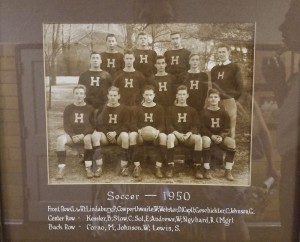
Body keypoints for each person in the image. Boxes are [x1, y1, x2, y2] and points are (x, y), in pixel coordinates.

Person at [56, 85, 94, 179]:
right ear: (73, 95)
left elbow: (92, 125)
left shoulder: (90, 108)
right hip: (72, 135)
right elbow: (66, 124)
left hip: (84, 135)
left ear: (85, 95)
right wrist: (73, 135)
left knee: (88, 139)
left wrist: (82, 135)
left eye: (81, 93)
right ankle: (61, 168)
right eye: (76, 93)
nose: (79, 96)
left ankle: (88, 168)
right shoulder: (69, 108)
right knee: (60, 140)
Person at [91, 86, 130, 177]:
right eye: (111, 95)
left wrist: (115, 133)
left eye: (115, 95)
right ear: (108, 96)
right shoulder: (103, 108)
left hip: (118, 136)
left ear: (119, 96)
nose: (113, 97)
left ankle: (124, 167)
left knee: (125, 136)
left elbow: (126, 125)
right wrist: (107, 133)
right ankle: (99, 166)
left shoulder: (124, 109)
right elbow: (98, 124)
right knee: (95, 136)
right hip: (105, 136)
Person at [165, 85, 202, 179]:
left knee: (198, 138)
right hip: (176, 136)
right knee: (169, 137)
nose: (182, 97)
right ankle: (170, 167)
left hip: (188, 137)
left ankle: (197, 167)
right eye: (180, 94)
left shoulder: (192, 110)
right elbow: (168, 125)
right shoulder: (170, 109)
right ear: (176, 96)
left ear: (187, 96)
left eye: (184, 94)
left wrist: (189, 133)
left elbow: (196, 126)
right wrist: (177, 134)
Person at [130, 85, 167, 178]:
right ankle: (137, 166)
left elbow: (162, 124)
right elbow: (132, 124)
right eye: (146, 95)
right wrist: (138, 131)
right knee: (131, 136)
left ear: (154, 95)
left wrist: (158, 131)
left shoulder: (159, 108)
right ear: (143, 95)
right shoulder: (138, 108)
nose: (149, 97)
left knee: (163, 136)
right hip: (141, 134)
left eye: (150, 95)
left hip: (155, 134)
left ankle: (158, 167)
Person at [201, 88, 236, 181]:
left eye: (215, 97)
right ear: (208, 99)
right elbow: (202, 128)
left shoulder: (223, 112)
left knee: (232, 142)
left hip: (220, 137)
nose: (213, 99)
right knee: (206, 140)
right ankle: (206, 169)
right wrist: (211, 136)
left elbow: (227, 128)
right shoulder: (204, 112)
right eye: (211, 97)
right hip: (208, 136)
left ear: (219, 99)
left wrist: (221, 136)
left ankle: (228, 171)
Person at [210, 44, 243, 139]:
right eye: (219, 52)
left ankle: (231, 146)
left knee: (231, 125)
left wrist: (233, 98)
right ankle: (220, 145)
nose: (221, 54)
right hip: (217, 101)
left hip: (229, 100)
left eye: (223, 52)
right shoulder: (214, 69)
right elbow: (213, 85)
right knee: (218, 123)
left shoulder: (234, 67)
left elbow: (240, 86)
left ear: (228, 52)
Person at [182, 53, 209, 119]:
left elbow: (205, 91)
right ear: (189, 62)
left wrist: (202, 103)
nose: (195, 61)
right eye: (193, 60)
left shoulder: (204, 75)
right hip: (187, 103)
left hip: (199, 104)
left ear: (199, 61)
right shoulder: (184, 75)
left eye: (197, 60)